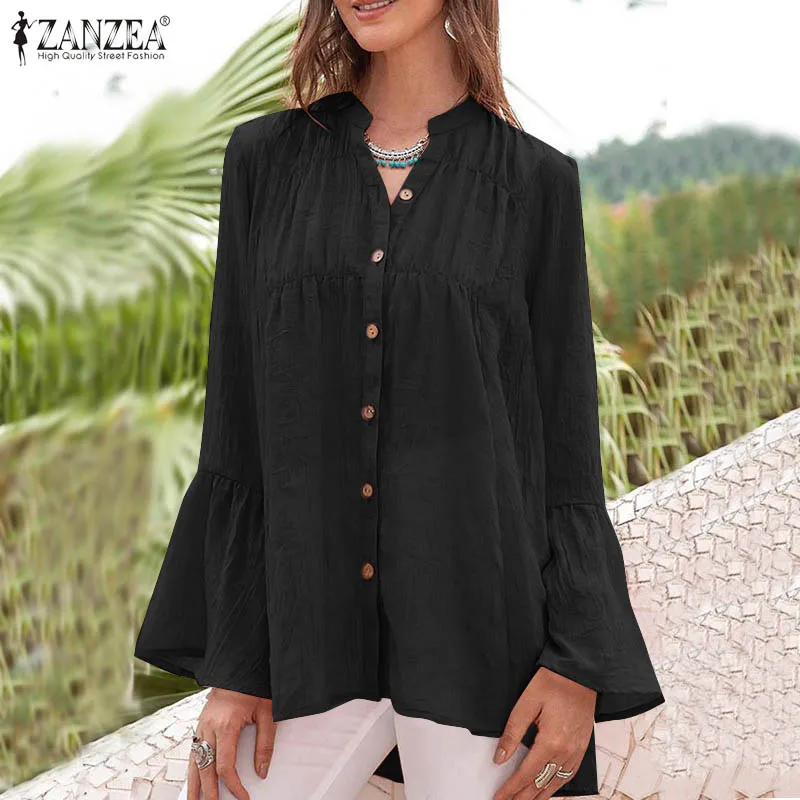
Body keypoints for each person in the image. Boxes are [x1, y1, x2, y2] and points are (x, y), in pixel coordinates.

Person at [134, 1, 666, 798]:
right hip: (307, 640)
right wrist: (238, 662)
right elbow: (238, 429)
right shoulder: (264, 162)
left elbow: (562, 453)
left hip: (485, 642)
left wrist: (576, 665)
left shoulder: (535, 183)